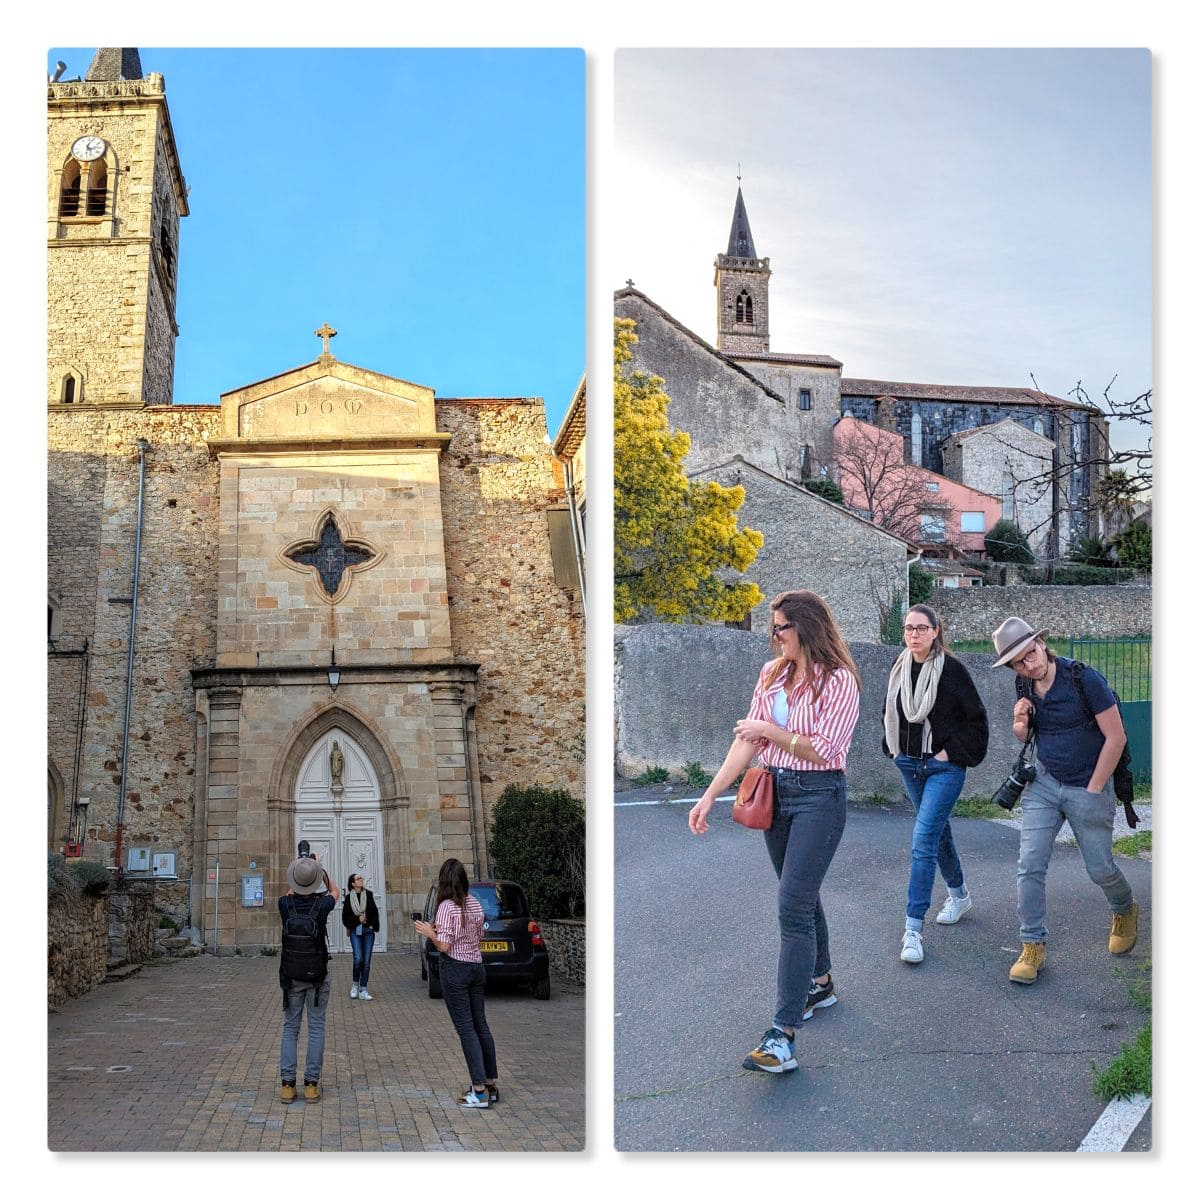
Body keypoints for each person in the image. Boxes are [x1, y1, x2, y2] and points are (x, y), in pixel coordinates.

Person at [688, 590, 861, 1075]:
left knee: (792, 905)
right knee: (799, 895)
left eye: (781, 627)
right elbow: (746, 744)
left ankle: (782, 1034)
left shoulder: (839, 681)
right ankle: (820, 982)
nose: (774, 636)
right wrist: (709, 796)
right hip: (773, 792)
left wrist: (771, 729)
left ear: (805, 626)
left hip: (819, 797)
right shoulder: (772, 674)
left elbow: (826, 751)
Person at [992, 617, 1138, 984]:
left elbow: (1116, 738)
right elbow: (1024, 733)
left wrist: (1093, 789)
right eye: (1020, 661)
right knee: (1029, 864)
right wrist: (1018, 723)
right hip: (1043, 782)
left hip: (1088, 784)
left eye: (1032, 653)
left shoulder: (1083, 679)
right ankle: (1032, 945)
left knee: (1100, 869)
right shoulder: (1023, 682)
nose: (1030, 664)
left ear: (1042, 643)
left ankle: (1124, 908)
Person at [882, 604, 989, 965]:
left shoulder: (953, 671)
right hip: (909, 764)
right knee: (937, 832)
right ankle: (959, 894)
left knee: (923, 838)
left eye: (921, 628)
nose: (914, 634)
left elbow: (977, 722)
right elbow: (889, 711)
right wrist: (894, 750)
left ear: (935, 631)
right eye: (909, 628)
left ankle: (913, 929)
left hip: (943, 768)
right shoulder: (899, 668)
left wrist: (949, 753)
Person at [413, 859, 499, 1107]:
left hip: (456, 970)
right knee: (480, 1024)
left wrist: (430, 933)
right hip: (476, 966)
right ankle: (491, 1083)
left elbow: (444, 945)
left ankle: (479, 1090)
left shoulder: (446, 907)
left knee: (465, 1028)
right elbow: (477, 933)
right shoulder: (473, 902)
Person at [278, 855, 339, 1103]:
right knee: (316, 1029)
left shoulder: (284, 904)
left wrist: (300, 869)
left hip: (291, 976)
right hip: (317, 976)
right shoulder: (322, 905)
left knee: (290, 1029)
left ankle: (287, 1085)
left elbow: (289, 892)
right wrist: (319, 869)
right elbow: (335, 891)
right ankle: (311, 1085)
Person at [342, 873, 381, 1000]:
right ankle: (355, 985)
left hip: (368, 931)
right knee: (358, 959)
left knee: (367, 961)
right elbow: (345, 917)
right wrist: (357, 919)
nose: (361, 880)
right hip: (356, 931)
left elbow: (374, 912)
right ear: (353, 884)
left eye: (361, 878)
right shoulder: (348, 898)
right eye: (358, 879)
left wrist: (370, 924)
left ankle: (363, 988)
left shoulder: (368, 895)